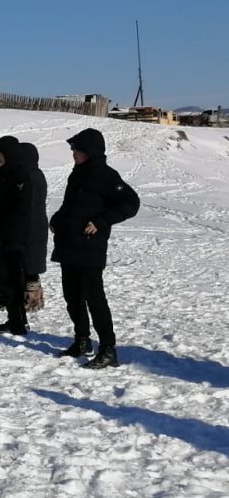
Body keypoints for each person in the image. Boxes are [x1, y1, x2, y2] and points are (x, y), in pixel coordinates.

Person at [50, 128, 140, 368]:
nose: (73, 153)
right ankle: (82, 340)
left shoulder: (106, 175)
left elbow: (131, 203)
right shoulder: (77, 174)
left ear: (90, 151)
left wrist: (101, 222)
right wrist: (57, 219)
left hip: (90, 247)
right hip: (69, 244)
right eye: (73, 149)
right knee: (72, 297)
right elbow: (71, 205)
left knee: (94, 299)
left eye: (77, 149)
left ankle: (108, 349)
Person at [0, 135, 32, 336]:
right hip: (2, 234)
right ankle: (15, 319)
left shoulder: (19, 175)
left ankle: (18, 321)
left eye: (0, 154)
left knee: (11, 280)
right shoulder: (4, 175)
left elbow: (17, 206)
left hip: (13, 236)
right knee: (6, 280)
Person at [18, 142, 48, 314]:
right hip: (35, 227)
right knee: (30, 267)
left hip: (32, 228)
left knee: (30, 268)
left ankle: (32, 302)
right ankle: (32, 301)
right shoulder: (35, 174)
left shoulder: (30, 177)